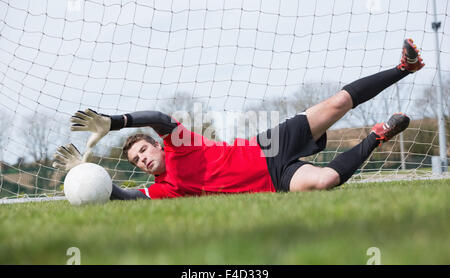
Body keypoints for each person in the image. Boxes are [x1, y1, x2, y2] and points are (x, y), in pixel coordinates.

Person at [53, 39, 424, 200]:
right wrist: (87, 178)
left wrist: (115, 122)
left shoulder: (180, 144)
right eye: (136, 161)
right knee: (324, 181)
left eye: (143, 151)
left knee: (338, 103)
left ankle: (402, 68)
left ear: (155, 144)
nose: (143, 159)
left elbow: (159, 117)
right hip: (276, 181)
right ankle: (378, 136)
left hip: (270, 145)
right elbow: (125, 196)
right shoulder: (167, 189)